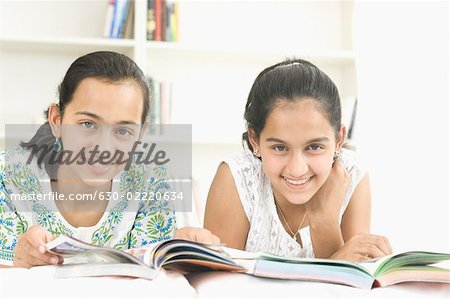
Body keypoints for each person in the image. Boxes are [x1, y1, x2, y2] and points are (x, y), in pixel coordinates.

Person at [0, 51, 218, 268]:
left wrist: (180, 252)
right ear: (56, 119)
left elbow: (155, 272)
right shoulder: (7, 176)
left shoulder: (153, 183)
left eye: (123, 131)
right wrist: (17, 265)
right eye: (88, 124)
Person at [204, 59, 392, 262]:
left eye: (314, 147)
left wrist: (325, 222)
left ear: (339, 140)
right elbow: (218, 285)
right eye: (279, 147)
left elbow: (352, 286)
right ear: (255, 140)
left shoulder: (353, 176)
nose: (296, 169)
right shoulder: (237, 177)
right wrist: (338, 258)